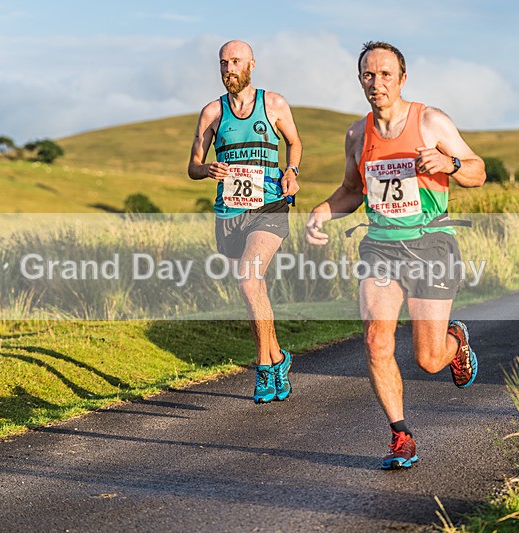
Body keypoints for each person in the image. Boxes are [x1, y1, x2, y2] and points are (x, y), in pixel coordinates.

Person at [305, 41, 485, 468]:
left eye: (386, 74)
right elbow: (351, 191)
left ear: (402, 79)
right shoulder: (356, 134)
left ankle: (455, 342)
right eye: (369, 74)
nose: (377, 82)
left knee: (427, 359)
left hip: (431, 247)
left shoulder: (430, 121)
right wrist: (322, 211)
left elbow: (477, 171)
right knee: (375, 340)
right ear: (360, 80)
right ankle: (400, 435)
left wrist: (450, 165)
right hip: (380, 247)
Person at [188, 40, 302, 404]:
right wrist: (206, 169)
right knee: (253, 288)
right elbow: (192, 165)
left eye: (235, 61)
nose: (229, 69)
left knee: (248, 278)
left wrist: (292, 171)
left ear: (252, 64)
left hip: (268, 207)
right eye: (223, 63)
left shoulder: (274, 103)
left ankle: (264, 368)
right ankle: (278, 357)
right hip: (229, 214)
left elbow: (294, 143)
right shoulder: (211, 112)